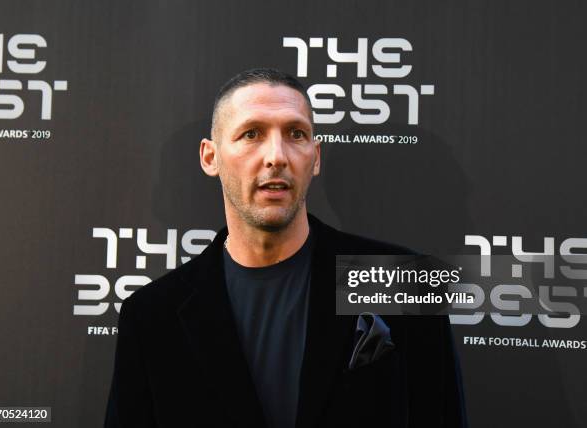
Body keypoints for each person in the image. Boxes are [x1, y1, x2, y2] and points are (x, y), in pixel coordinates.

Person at [105, 68, 467, 428]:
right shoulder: (153, 316)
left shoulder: (402, 280)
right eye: (252, 134)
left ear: (316, 156)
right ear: (210, 157)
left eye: (296, 134)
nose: (277, 156)